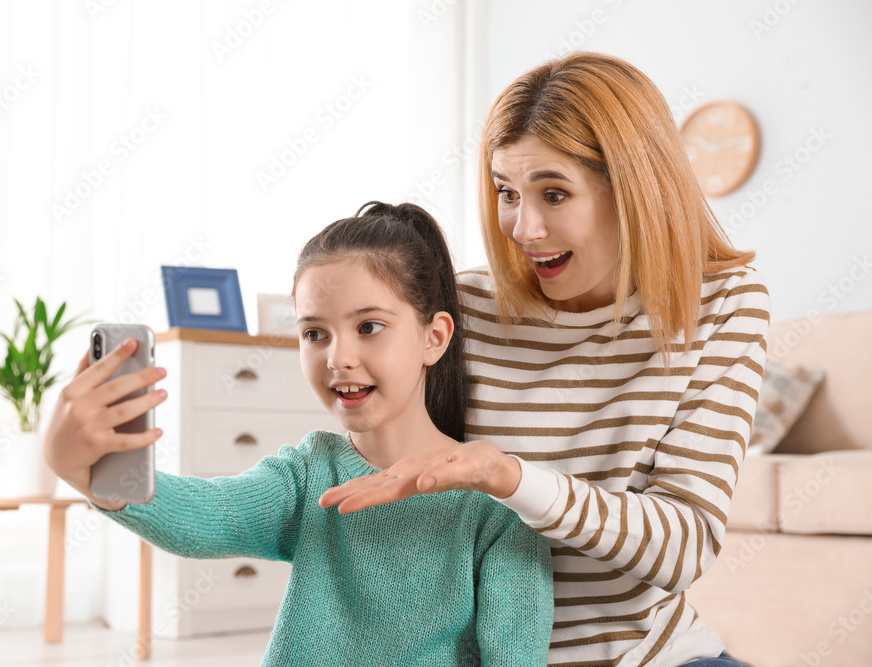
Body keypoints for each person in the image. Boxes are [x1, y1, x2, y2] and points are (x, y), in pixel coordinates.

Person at [318, 53, 769, 667]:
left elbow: (684, 544)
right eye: (507, 192)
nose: (523, 228)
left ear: (632, 191)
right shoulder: (462, 308)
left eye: (553, 193)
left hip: (653, 656)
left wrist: (511, 478)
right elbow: (360, 411)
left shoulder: (720, 304)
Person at [43, 201, 555, 665]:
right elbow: (211, 516)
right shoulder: (308, 473)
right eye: (314, 333)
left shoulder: (495, 503)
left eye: (369, 326)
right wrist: (83, 470)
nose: (338, 358)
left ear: (434, 337)